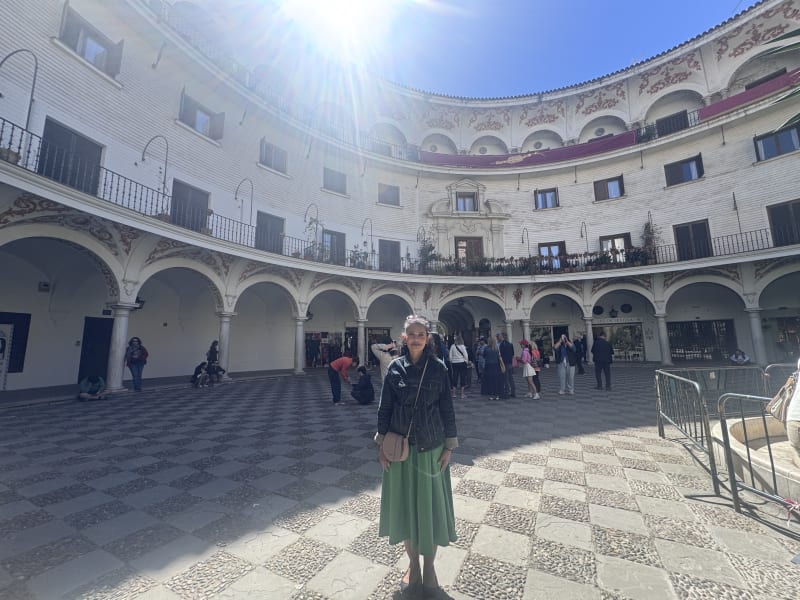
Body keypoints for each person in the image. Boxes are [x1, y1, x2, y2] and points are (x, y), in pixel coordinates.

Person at [376, 315, 457, 598]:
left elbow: (447, 409)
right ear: (404, 337)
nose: (416, 339)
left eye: (421, 334)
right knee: (408, 511)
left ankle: (430, 569)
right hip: (401, 450)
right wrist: (381, 445)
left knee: (430, 512)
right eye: (411, 334)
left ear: (427, 338)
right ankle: (414, 566)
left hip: (431, 449)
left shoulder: (438, 369)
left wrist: (449, 446)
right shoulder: (395, 368)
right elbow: (385, 408)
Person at [481, 336, 504, 400]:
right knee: (496, 380)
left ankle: (491, 395)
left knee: (490, 381)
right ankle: (497, 395)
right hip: (496, 365)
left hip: (488, 365)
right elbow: (499, 356)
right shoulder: (496, 348)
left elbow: (484, 356)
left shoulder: (486, 348)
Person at [448, 334, 470, 399]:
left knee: (455, 377)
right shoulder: (463, 346)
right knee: (462, 377)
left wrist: (451, 361)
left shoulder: (452, 346)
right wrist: (466, 361)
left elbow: (450, 356)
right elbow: (466, 355)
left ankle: (454, 393)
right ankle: (462, 394)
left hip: (454, 363)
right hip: (462, 363)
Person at [498, 332, 516, 398]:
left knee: (505, 378)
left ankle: (507, 392)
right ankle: (513, 392)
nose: (499, 337)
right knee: (511, 378)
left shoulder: (501, 345)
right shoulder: (510, 344)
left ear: (502, 337)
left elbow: (501, 354)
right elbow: (513, 354)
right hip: (510, 363)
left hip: (505, 363)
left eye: (500, 336)